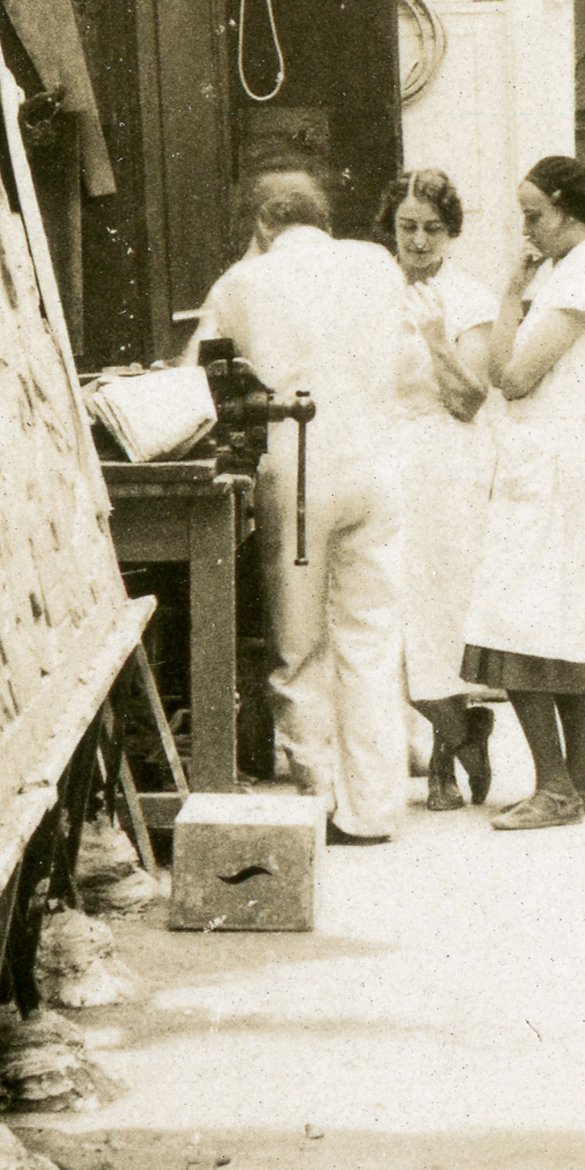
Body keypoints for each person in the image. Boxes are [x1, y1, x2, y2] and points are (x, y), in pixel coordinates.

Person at [191, 169, 408, 847]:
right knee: (371, 636)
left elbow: (192, 377)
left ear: (261, 224)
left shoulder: (241, 282)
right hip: (377, 459)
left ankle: (318, 796)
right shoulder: (376, 263)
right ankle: (373, 809)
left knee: (298, 643)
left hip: (301, 462)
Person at [459, 155, 585, 834]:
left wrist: (513, 311)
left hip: (557, 453)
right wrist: (511, 292)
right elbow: (506, 369)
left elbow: (514, 376)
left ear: (567, 206)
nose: (527, 228)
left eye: (534, 214)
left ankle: (554, 788)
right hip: (555, 454)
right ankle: (583, 782)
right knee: (561, 616)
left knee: (517, 617)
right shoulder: (564, 272)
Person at [381, 173, 499, 809]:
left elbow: (469, 400)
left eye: (432, 228)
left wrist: (434, 340)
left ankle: (445, 754)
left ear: (451, 233)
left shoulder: (470, 297)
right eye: (407, 226)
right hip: (385, 463)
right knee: (388, 615)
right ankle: (463, 732)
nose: (419, 241)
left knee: (435, 618)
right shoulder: (373, 291)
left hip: (447, 467)